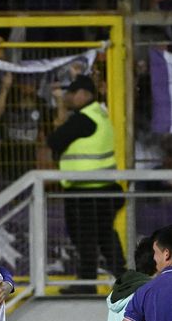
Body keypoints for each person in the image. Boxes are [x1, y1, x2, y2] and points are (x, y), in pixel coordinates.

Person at [47, 75, 124, 294]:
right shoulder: (100, 114)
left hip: (86, 191)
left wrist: (60, 110)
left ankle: (88, 283)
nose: (68, 98)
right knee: (103, 235)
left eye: (71, 94)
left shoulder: (84, 119)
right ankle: (123, 277)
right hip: (103, 188)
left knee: (86, 238)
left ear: (84, 94)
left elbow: (54, 140)